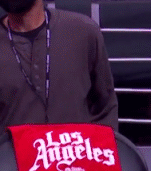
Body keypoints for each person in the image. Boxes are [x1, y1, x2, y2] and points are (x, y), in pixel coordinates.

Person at [0, 0, 118, 131]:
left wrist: (101, 141)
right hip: (10, 144)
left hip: (77, 143)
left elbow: (106, 107)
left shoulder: (82, 31)